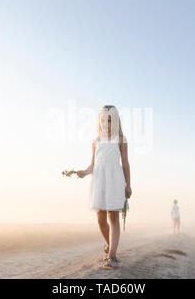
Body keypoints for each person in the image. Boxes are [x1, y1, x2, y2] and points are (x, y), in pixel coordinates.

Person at [77, 105, 132, 269]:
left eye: (109, 120)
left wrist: (128, 185)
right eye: (103, 120)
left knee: (113, 217)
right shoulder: (96, 141)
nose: (106, 123)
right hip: (99, 180)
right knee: (100, 219)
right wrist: (84, 172)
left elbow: (125, 163)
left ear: (115, 121)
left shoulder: (121, 139)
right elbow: (93, 164)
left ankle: (112, 256)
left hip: (115, 180)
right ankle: (110, 247)